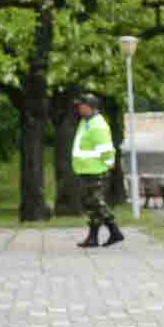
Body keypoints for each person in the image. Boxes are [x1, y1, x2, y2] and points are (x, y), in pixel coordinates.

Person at [70, 94, 119, 247]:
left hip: (97, 170)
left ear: (90, 107)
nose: (78, 108)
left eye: (81, 105)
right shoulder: (86, 122)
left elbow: (106, 149)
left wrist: (108, 165)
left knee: (96, 202)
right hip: (87, 169)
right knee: (90, 205)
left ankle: (114, 231)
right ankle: (93, 238)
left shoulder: (98, 125)